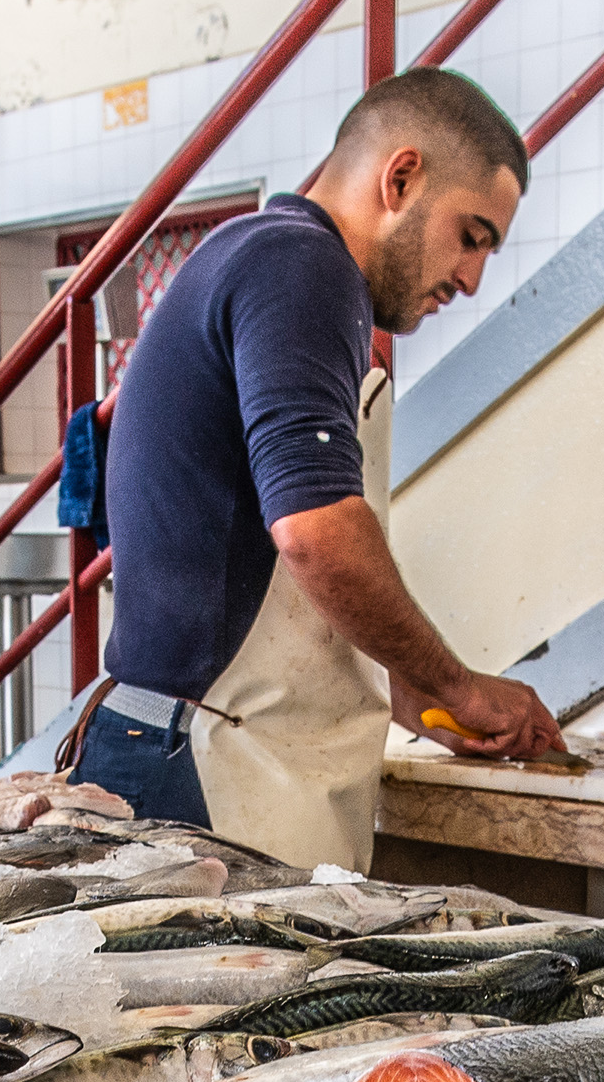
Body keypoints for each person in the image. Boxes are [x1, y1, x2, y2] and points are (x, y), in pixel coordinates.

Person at [76, 67, 565, 871]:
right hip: (204, 768)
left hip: (185, 747)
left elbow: (256, 578)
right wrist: (461, 687)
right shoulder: (304, 271)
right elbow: (315, 532)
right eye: (471, 235)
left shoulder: (259, 257)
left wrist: (424, 697)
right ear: (401, 177)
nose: (472, 279)